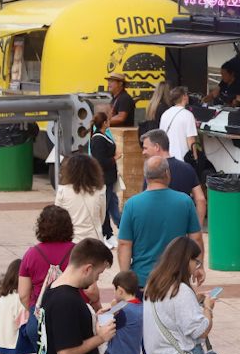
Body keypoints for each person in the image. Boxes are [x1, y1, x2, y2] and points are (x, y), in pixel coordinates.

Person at [16, 205, 76, 354]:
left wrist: (33, 309)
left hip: (40, 318)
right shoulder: (76, 251)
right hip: (70, 315)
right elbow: (89, 290)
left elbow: (23, 293)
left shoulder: (32, 254)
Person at [118, 157, 204, 290]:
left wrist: (125, 278)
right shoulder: (185, 201)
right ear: (167, 173)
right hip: (176, 278)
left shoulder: (132, 204)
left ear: (146, 176)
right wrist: (198, 266)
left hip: (143, 279)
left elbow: (124, 244)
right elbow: (196, 238)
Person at [141, 128, 207, 227]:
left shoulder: (152, 170)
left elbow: (145, 202)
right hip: (182, 227)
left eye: (145, 148)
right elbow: (201, 199)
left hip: (158, 227)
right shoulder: (187, 168)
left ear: (156, 147)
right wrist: (198, 228)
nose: (143, 152)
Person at [55, 153, 108, 246]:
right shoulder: (100, 191)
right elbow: (101, 218)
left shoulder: (62, 191)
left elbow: (58, 219)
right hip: (94, 240)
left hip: (70, 241)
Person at [89, 112, 121, 243]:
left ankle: (119, 229)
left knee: (113, 206)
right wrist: (115, 158)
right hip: (104, 179)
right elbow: (100, 161)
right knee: (105, 207)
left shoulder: (102, 136)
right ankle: (105, 234)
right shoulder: (98, 139)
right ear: (104, 123)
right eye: (108, 120)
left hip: (110, 178)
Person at [158, 86, 198, 163]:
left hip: (167, 158)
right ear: (184, 97)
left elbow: (162, 136)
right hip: (182, 158)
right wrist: (195, 159)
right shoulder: (188, 115)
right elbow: (191, 140)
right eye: (187, 94)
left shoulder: (165, 114)